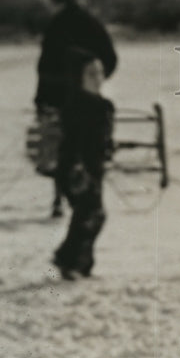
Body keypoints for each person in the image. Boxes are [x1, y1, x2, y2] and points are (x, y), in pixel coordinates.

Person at [35, 0, 117, 217]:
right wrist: (96, 80)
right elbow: (110, 57)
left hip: (60, 98)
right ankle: (94, 195)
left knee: (62, 147)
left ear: (55, 0)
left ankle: (58, 199)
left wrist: (41, 98)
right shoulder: (92, 23)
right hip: (90, 96)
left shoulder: (55, 25)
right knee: (93, 149)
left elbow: (44, 66)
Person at [52, 47, 114, 280]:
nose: (98, 78)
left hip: (94, 169)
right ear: (79, 78)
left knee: (91, 214)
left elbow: (104, 139)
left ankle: (80, 264)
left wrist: (108, 152)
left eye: (100, 73)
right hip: (76, 170)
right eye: (91, 74)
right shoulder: (75, 106)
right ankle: (70, 262)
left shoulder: (104, 105)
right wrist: (78, 168)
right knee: (90, 214)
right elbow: (73, 142)